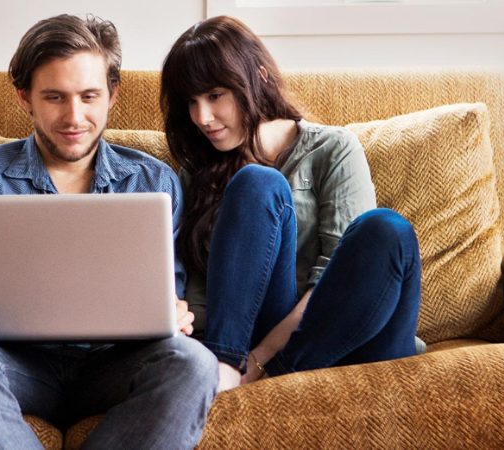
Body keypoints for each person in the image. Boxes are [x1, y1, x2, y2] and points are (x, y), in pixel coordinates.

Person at [0, 14, 218, 450]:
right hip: (14, 363)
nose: (74, 116)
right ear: (24, 97)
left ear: (112, 95)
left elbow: (170, 294)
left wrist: (173, 313)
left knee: (194, 363)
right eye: (54, 97)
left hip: (114, 365)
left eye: (89, 96)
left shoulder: (155, 182)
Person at [160, 16, 424, 392]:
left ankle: (249, 377)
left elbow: (337, 281)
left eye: (215, 95)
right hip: (246, 342)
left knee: (387, 230)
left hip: (346, 335)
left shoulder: (333, 149)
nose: (202, 117)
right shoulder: (196, 174)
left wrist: (259, 361)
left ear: (259, 77)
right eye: (191, 102)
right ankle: (224, 368)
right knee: (258, 183)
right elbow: (203, 295)